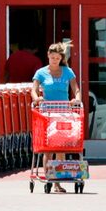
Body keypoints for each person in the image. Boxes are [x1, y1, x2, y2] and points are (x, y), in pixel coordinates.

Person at [32, 41, 81, 193]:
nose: (54, 60)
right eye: (52, 57)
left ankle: (57, 182)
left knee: (61, 147)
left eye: (57, 58)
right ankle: (49, 178)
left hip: (63, 113)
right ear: (48, 56)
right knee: (48, 148)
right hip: (47, 114)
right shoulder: (41, 73)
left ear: (61, 58)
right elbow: (33, 91)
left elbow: (76, 89)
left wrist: (77, 99)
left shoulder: (68, 72)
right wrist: (36, 98)